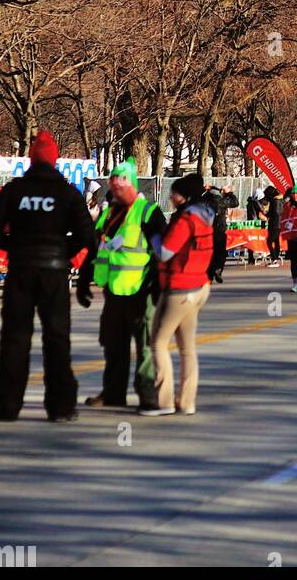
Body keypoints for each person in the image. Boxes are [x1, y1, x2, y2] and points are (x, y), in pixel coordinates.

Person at [0, 131, 96, 423]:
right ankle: (61, 406)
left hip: (21, 270)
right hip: (54, 271)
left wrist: (14, 246)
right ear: (54, 158)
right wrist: (67, 254)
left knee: (14, 338)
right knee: (57, 338)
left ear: (31, 157)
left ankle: (6, 405)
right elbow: (88, 236)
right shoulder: (67, 193)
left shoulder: (15, 191)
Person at [77, 157, 167, 412]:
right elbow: (96, 249)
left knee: (146, 347)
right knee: (113, 345)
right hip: (114, 293)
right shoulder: (107, 214)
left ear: (132, 186)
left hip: (142, 292)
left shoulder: (148, 213)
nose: (115, 192)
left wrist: (159, 286)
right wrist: (84, 279)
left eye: (120, 187)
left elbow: (163, 253)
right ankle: (114, 393)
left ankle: (148, 396)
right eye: (113, 188)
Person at [142, 173, 215, 416]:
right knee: (186, 347)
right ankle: (186, 402)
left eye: (175, 193)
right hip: (199, 285)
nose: (171, 196)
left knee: (158, 343)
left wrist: (152, 234)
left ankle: (162, 402)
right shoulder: (205, 217)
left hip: (180, 287)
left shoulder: (186, 220)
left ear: (185, 196)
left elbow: (165, 252)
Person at [265, 187, 284, 265]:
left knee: (269, 241)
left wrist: (266, 214)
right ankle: (276, 256)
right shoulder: (280, 200)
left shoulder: (274, 201)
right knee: (276, 241)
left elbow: (274, 212)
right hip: (279, 223)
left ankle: (274, 258)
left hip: (274, 223)